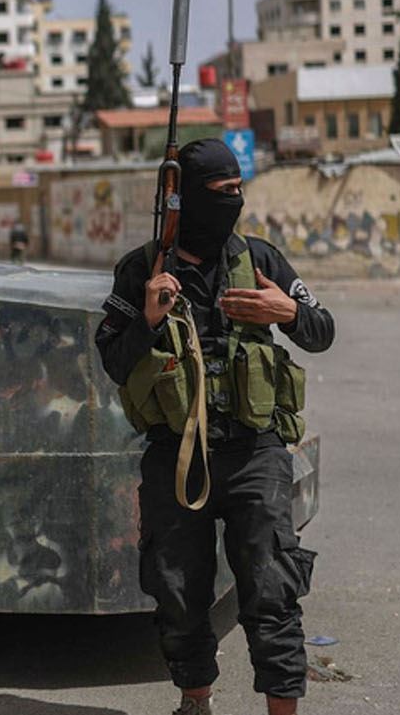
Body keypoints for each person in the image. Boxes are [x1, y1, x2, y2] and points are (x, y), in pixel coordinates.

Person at [94, 139, 334, 715]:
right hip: (178, 458)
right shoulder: (142, 269)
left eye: (238, 189)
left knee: (273, 591)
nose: (234, 200)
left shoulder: (261, 260)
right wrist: (149, 318)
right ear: (183, 199)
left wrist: (287, 313)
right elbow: (113, 361)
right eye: (221, 192)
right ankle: (195, 702)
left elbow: (322, 330)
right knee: (178, 591)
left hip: (256, 454)